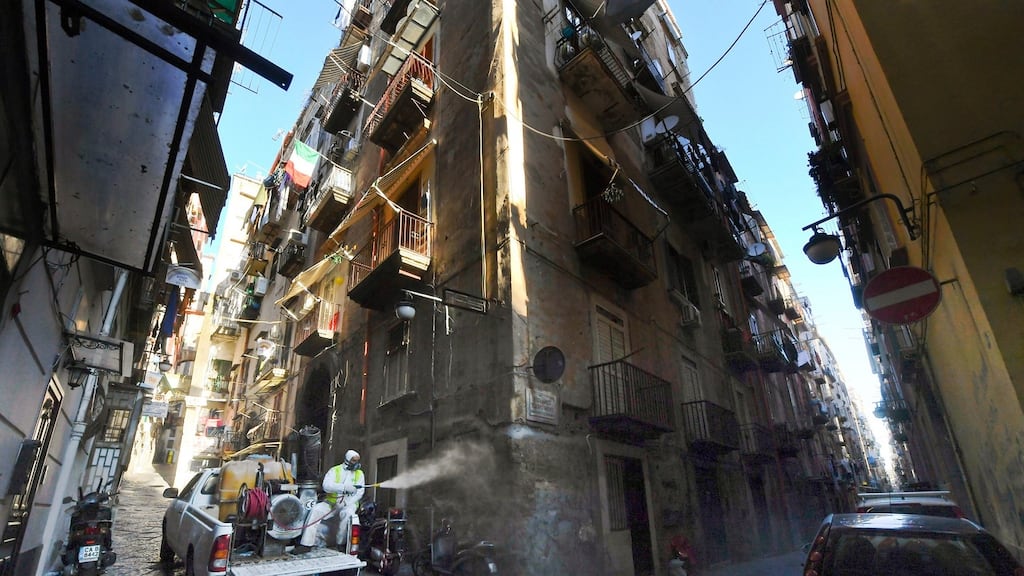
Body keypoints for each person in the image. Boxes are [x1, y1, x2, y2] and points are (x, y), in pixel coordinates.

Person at [294, 450, 366, 554]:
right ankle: (306, 544)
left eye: (357, 461)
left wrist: (346, 503)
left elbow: (360, 493)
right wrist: (344, 487)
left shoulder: (360, 474)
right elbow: (326, 486)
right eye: (354, 461)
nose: (357, 463)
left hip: (349, 505)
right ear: (348, 460)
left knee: (347, 515)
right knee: (316, 510)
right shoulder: (335, 470)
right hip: (331, 503)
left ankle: (340, 544)